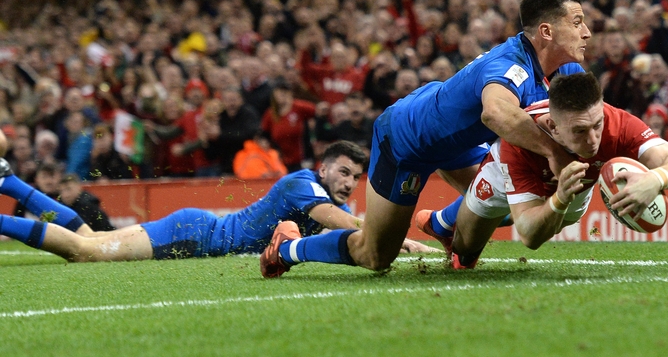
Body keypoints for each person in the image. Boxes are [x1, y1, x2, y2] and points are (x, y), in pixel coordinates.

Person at [260, 0, 591, 277]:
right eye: (577, 23)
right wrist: (553, 151)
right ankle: (289, 247)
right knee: (375, 256)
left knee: (510, 196)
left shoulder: (564, 70)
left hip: (455, 135)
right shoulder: (510, 65)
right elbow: (495, 113)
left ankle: (442, 225)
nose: (587, 32)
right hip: (408, 140)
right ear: (546, 32)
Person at [415, 73, 668, 267]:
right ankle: (441, 223)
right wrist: (559, 198)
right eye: (580, 131)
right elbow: (529, 236)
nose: (593, 139)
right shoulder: (519, 146)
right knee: (465, 249)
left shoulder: (619, 124)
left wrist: (656, 178)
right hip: (505, 176)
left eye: (597, 125)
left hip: (574, 191)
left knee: (531, 213)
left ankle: (472, 216)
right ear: (553, 127)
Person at [0, 140, 439, 262]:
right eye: (343, 172)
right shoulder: (302, 185)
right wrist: (405, 240)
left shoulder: (320, 193)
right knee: (86, 252)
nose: (349, 183)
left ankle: (10, 183)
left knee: (90, 237)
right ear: (322, 169)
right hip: (194, 234)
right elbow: (345, 225)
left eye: (356, 177)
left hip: (199, 232)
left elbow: (344, 229)